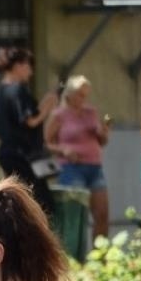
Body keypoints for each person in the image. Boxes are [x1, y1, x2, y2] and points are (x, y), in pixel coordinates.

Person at [0, 46, 59, 218]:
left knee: (18, 202)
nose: (30, 72)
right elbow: (31, 121)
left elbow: (26, 118)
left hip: (10, 153)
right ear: (18, 66)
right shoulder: (17, 89)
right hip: (22, 155)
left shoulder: (3, 90)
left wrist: (44, 105)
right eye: (28, 66)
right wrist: (49, 105)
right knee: (41, 204)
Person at [45, 75, 111, 240]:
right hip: (71, 168)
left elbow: (102, 141)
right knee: (74, 216)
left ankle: (100, 253)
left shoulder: (91, 112)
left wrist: (103, 133)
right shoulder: (59, 115)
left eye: (86, 95)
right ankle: (73, 252)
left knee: (102, 214)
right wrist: (63, 150)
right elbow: (46, 143)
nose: (84, 99)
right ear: (69, 94)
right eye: (80, 95)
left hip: (94, 168)